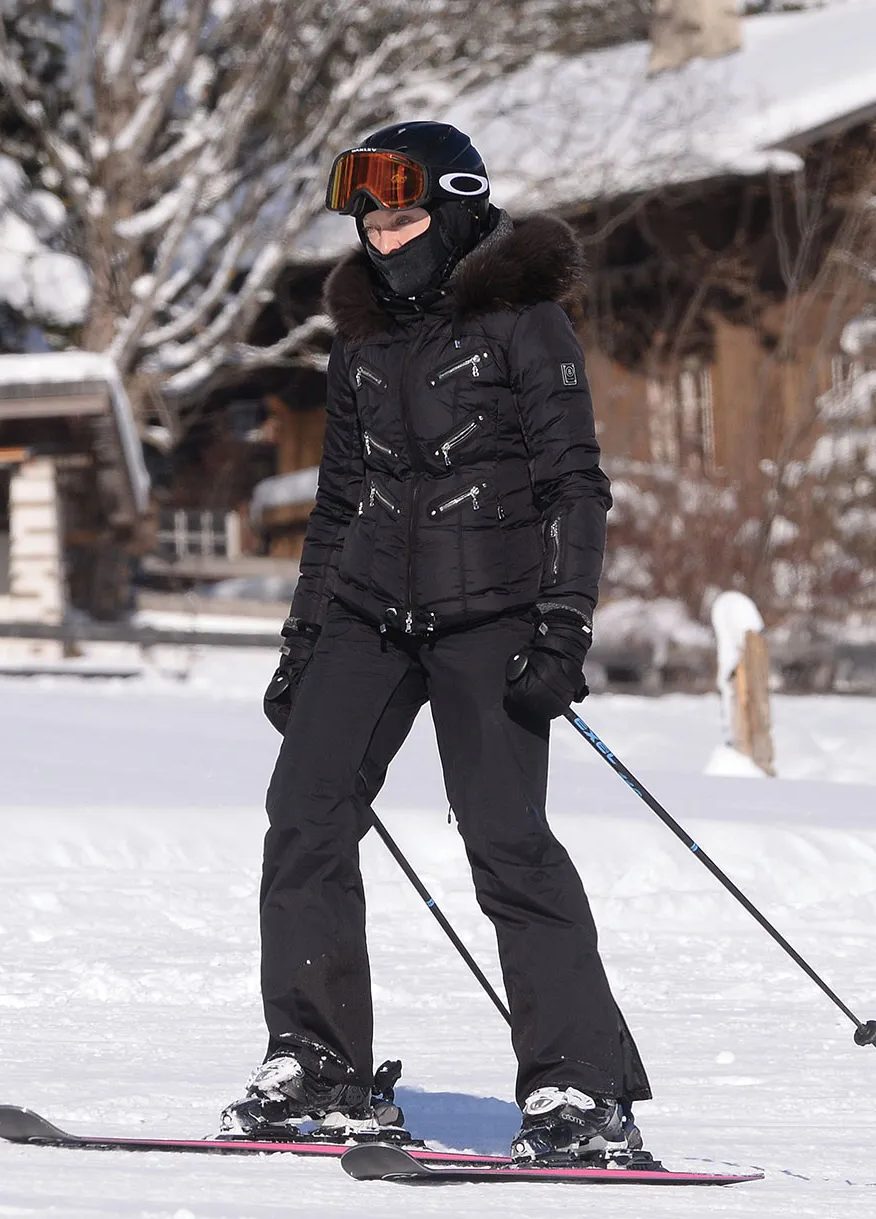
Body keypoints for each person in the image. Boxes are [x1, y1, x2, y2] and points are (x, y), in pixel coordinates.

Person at [220, 120, 651, 1163]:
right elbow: (337, 505)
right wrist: (303, 639)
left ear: (455, 206)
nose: (379, 228)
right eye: (367, 211)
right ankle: (318, 1070)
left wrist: (563, 621)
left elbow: (572, 484)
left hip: (492, 613)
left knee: (505, 842)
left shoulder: (523, 321)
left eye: (402, 209)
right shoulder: (361, 338)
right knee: (302, 818)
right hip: (367, 613)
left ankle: (577, 1091)